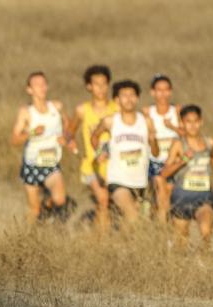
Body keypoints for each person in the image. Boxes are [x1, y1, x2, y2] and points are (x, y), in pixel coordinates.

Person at [91, 80, 159, 229]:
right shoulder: (110, 121)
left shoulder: (146, 122)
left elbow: (156, 152)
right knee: (133, 217)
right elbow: (94, 137)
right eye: (124, 95)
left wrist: (153, 141)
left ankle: (122, 248)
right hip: (118, 180)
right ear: (116, 100)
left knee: (135, 225)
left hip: (141, 181)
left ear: (138, 98)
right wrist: (100, 152)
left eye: (132, 95)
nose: (129, 99)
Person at [160, 105, 213, 248]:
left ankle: (204, 260)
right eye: (188, 122)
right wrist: (183, 160)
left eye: (195, 121)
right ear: (182, 124)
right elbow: (165, 173)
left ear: (201, 122)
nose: (192, 125)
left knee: (206, 231)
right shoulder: (178, 144)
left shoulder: (210, 142)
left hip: (204, 197)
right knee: (181, 243)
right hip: (181, 198)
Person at [10, 72, 70, 224]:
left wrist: (65, 137)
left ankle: (50, 214)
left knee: (60, 199)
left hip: (51, 163)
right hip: (32, 165)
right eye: (37, 84)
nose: (41, 87)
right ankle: (26, 238)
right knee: (34, 210)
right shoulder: (26, 112)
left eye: (44, 84)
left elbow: (67, 124)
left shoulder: (56, 106)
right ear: (29, 90)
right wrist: (31, 132)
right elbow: (14, 139)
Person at [67, 65, 117, 234]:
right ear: (89, 86)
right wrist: (71, 143)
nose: (101, 89)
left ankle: (98, 238)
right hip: (91, 165)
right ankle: (102, 243)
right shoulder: (82, 110)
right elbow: (70, 132)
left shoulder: (117, 109)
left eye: (104, 84)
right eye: (96, 84)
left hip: (114, 165)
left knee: (109, 204)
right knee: (103, 200)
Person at [147, 74, 181, 223]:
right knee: (162, 192)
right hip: (155, 161)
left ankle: (159, 220)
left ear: (171, 91)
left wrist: (172, 126)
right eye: (159, 90)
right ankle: (162, 230)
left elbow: (187, 134)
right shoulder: (147, 112)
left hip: (174, 161)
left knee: (169, 196)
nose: (163, 94)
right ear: (152, 92)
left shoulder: (177, 111)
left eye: (166, 90)